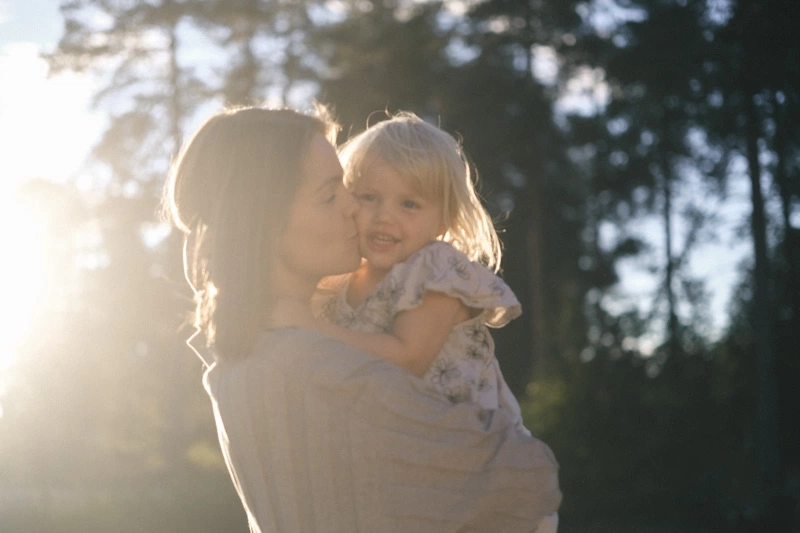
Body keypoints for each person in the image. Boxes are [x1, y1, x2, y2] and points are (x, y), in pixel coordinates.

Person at [163, 104, 561, 533]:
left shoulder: (259, 346)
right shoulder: (300, 362)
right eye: (335, 194)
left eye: (409, 203)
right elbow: (525, 478)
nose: (358, 210)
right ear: (265, 220)